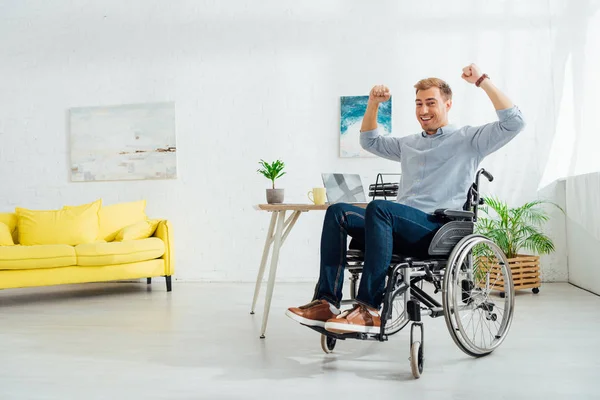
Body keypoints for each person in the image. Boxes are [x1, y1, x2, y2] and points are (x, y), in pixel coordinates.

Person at [286, 63, 526, 334]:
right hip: (395, 227)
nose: (423, 111)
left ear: (448, 104)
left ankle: (369, 310)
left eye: (431, 103)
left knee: (381, 208)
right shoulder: (409, 143)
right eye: (418, 104)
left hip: (436, 229)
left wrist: (482, 80)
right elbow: (370, 141)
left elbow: (514, 122)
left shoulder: (469, 139)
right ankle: (326, 302)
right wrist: (374, 103)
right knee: (338, 211)